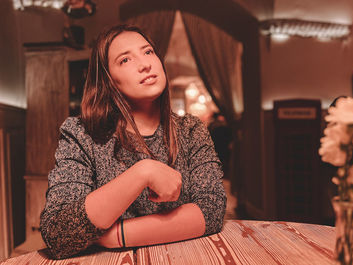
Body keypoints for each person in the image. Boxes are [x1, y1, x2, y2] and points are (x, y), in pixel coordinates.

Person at [40, 24, 227, 260]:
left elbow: (211, 211)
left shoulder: (191, 130)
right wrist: (143, 172)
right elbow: (58, 234)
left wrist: (115, 235)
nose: (145, 64)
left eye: (148, 52)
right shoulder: (81, 133)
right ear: (107, 81)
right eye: (125, 60)